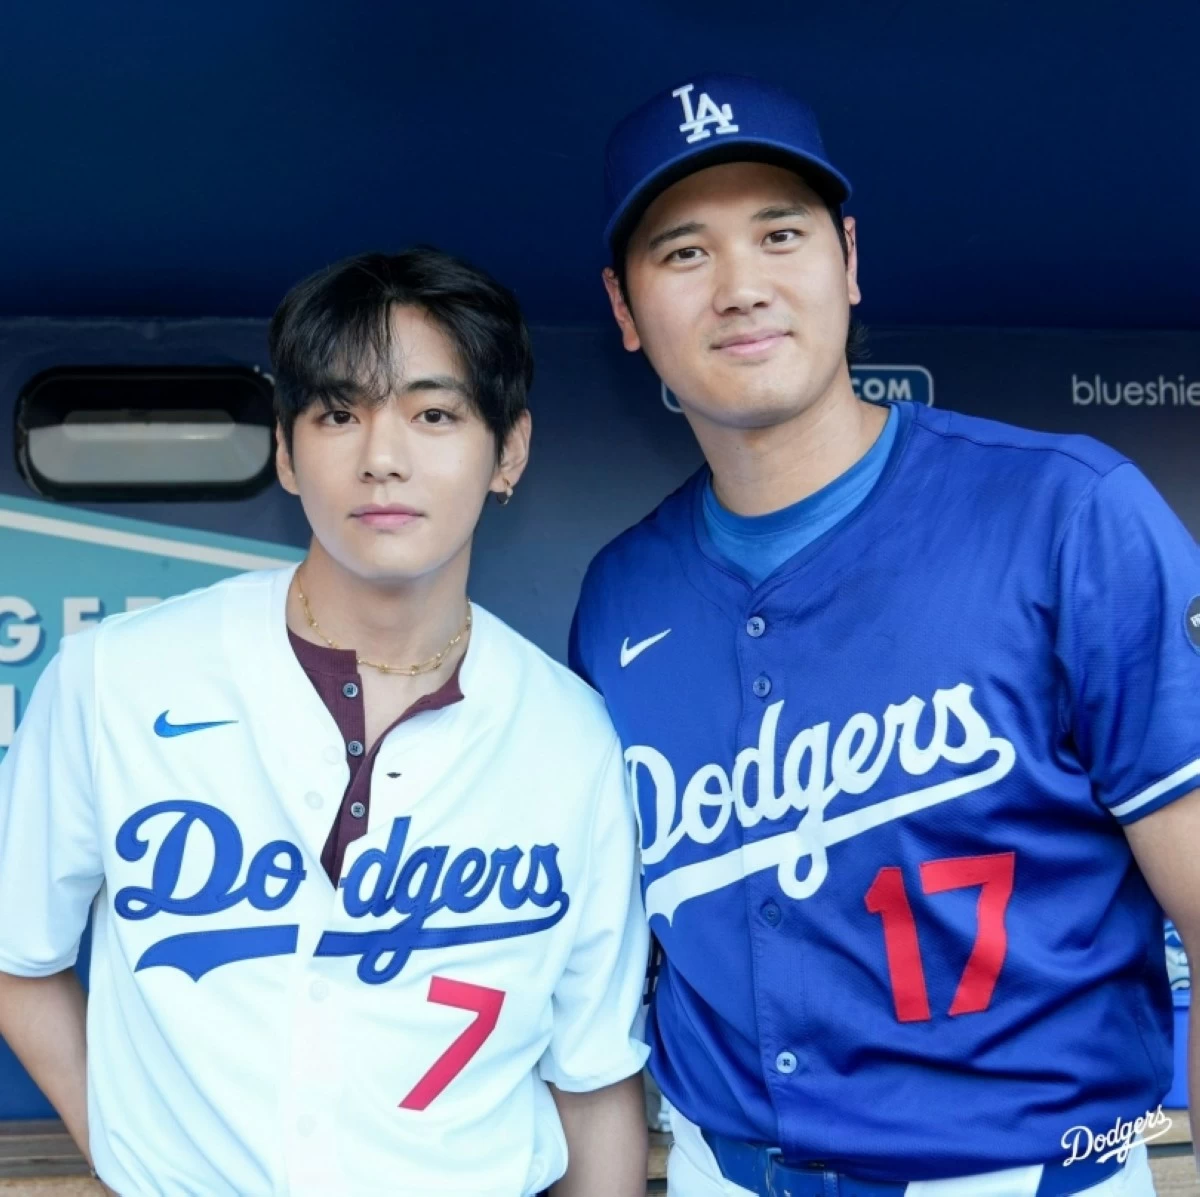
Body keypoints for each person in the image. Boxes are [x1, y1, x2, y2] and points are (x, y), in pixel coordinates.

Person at [569, 73, 1200, 1197]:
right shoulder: (623, 595)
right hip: (728, 1172)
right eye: (684, 254)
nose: (742, 288)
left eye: (780, 234)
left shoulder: (1068, 515)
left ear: (848, 261)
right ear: (623, 310)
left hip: (1024, 1175)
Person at [0, 248, 650, 1197]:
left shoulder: (571, 734)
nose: (382, 456)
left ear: (508, 449)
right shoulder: (116, 679)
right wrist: (134, 1154)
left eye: (434, 414)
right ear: (285, 450)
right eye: (339, 413)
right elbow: (19, 960)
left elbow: (592, 1081)